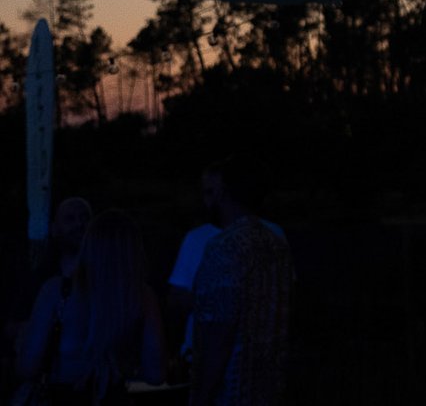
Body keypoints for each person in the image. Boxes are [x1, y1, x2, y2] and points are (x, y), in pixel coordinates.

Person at [16, 209, 166, 405]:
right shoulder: (142, 296)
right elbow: (155, 374)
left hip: (61, 396)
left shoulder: (57, 291)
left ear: (89, 244)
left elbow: (27, 367)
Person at [188, 159, 292, 406]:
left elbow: (218, 332)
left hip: (229, 392)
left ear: (225, 193)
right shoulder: (277, 246)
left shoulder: (224, 247)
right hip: (270, 390)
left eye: (215, 191)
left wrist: (201, 395)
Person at [165, 169, 283, 376]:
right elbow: (176, 297)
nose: (212, 200)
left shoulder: (267, 237)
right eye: (207, 192)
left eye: (216, 192)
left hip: (247, 358)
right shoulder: (198, 239)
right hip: (212, 356)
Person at [6, 196, 93, 348]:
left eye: (85, 218)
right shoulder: (39, 280)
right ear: (54, 228)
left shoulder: (106, 275)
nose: (79, 224)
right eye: (70, 219)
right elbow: (12, 327)